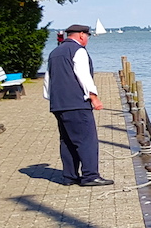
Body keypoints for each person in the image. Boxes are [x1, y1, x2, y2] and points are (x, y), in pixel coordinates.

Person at [44, 23, 112, 186]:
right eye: (87, 36)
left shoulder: (55, 52)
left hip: (58, 104)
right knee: (86, 140)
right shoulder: (78, 51)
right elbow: (84, 76)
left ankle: (69, 176)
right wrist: (94, 97)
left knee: (67, 140)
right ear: (81, 35)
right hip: (76, 103)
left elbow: (48, 79)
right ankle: (90, 176)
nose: (87, 39)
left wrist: (49, 97)